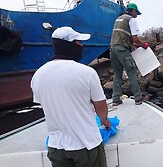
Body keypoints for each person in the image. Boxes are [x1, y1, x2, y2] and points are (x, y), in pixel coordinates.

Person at [31, 27, 110, 167]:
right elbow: (101, 106)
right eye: (79, 42)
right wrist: (105, 121)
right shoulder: (86, 72)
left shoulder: (37, 75)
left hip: (56, 147)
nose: (82, 46)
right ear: (69, 45)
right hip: (86, 144)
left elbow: (47, 106)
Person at [110, 3, 149, 106]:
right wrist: (143, 45)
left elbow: (123, 35)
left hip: (113, 49)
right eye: (136, 13)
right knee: (131, 72)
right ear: (133, 11)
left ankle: (116, 99)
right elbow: (135, 40)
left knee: (117, 74)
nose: (136, 15)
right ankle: (138, 98)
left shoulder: (118, 19)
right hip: (123, 49)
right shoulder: (131, 20)